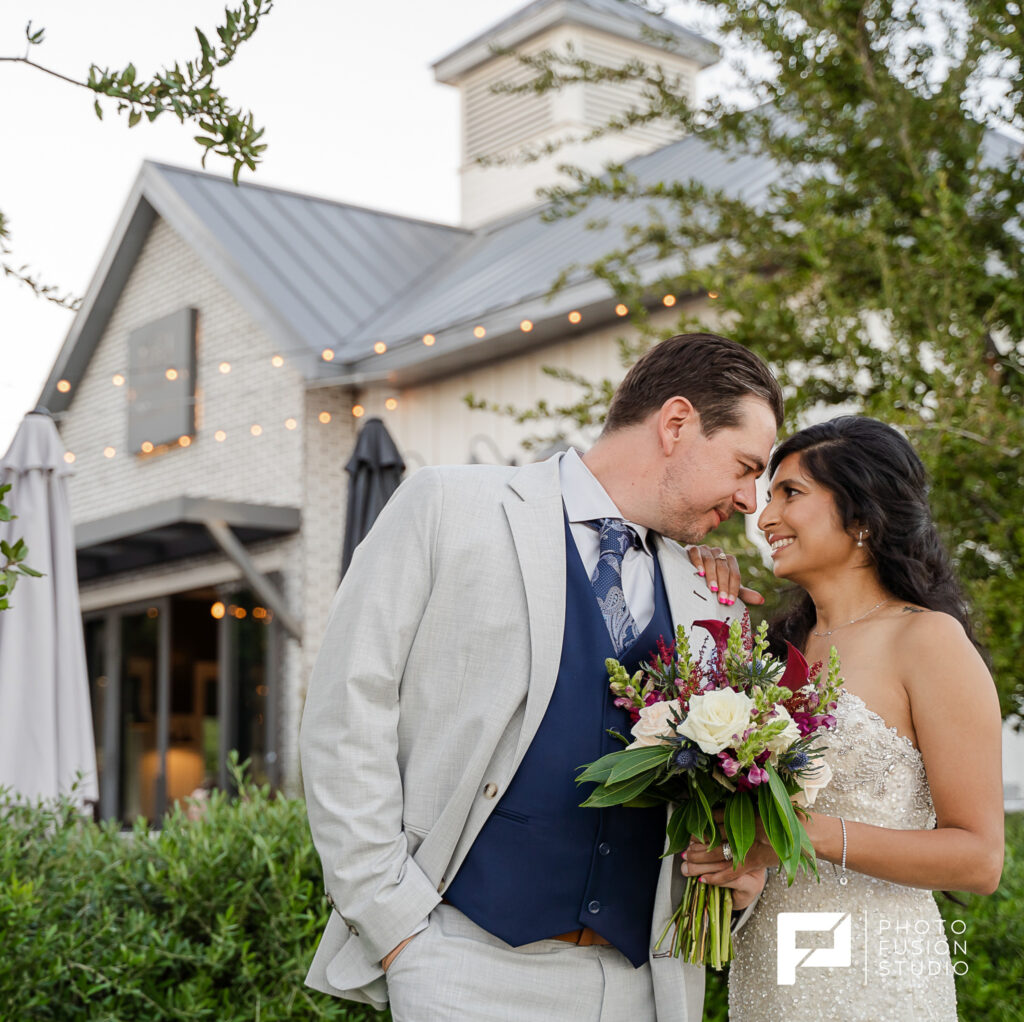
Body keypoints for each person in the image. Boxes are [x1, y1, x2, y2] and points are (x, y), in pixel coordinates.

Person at [299, 333, 784, 1021]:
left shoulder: (710, 595)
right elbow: (348, 711)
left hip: (640, 984)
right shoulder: (445, 507)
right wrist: (394, 925)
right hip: (461, 967)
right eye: (743, 467)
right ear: (676, 424)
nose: (747, 501)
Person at [683, 416, 1004, 1021]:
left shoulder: (928, 640)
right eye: (768, 493)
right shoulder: (768, 656)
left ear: (862, 515)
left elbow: (979, 859)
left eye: (791, 494)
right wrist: (739, 863)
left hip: (877, 974)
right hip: (773, 965)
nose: (764, 516)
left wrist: (796, 832)